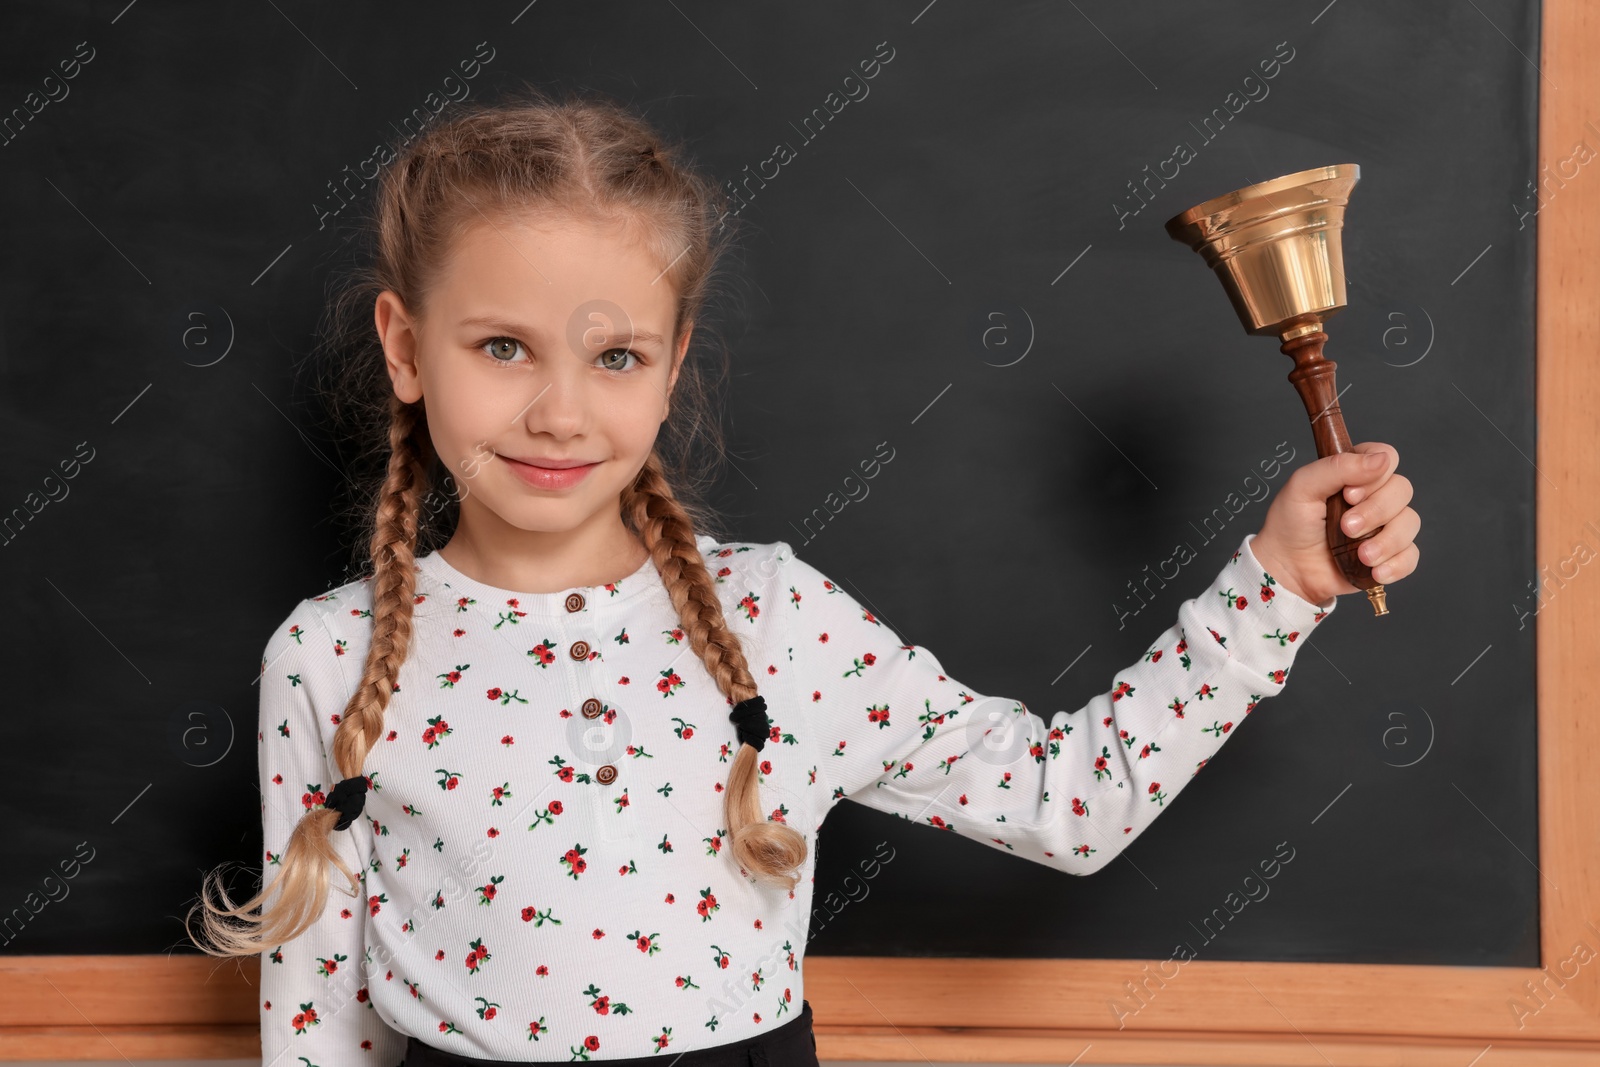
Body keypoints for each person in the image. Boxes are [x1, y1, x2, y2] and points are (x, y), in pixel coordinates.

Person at [185, 89, 1421, 1067]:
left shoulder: (780, 621)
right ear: (406, 347)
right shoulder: (327, 654)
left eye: (613, 354)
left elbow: (1068, 804)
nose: (558, 409)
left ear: (671, 367)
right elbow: (319, 1016)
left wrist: (1278, 583)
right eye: (501, 345)